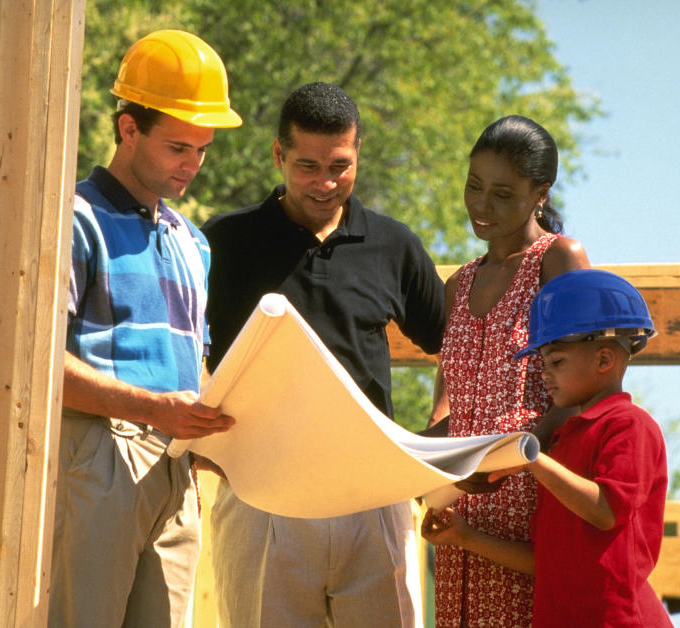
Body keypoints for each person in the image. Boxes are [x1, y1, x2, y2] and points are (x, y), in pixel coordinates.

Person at [202, 81, 445, 627]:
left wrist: (436, 428)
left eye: (340, 165)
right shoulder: (224, 242)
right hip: (262, 492)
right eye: (307, 166)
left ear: (358, 152)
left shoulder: (394, 245)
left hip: (373, 494)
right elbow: (183, 345)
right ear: (278, 154)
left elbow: (456, 342)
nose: (325, 183)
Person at [50, 30, 240, 627]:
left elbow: (197, 366)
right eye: (179, 147)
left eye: (203, 149)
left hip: (177, 468)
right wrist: (153, 407)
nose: (194, 165)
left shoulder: (193, 243)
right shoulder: (71, 219)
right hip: (99, 455)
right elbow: (33, 363)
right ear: (129, 128)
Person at [422, 269, 672, 627]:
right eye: (542, 364)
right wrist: (465, 536)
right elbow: (544, 561)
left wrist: (532, 459)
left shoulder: (630, 425)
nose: (544, 374)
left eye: (556, 362)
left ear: (604, 360)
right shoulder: (565, 439)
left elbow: (605, 510)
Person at [423, 115, 589, 626]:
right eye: (474, 186)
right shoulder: (458, 283)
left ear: (540, 193)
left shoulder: (559, 259)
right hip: (461, 504)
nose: (481, 206)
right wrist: (423, 458)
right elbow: (448, 402)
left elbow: (581, 391)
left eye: (502, 193)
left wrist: (509, 459)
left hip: (529, 495)